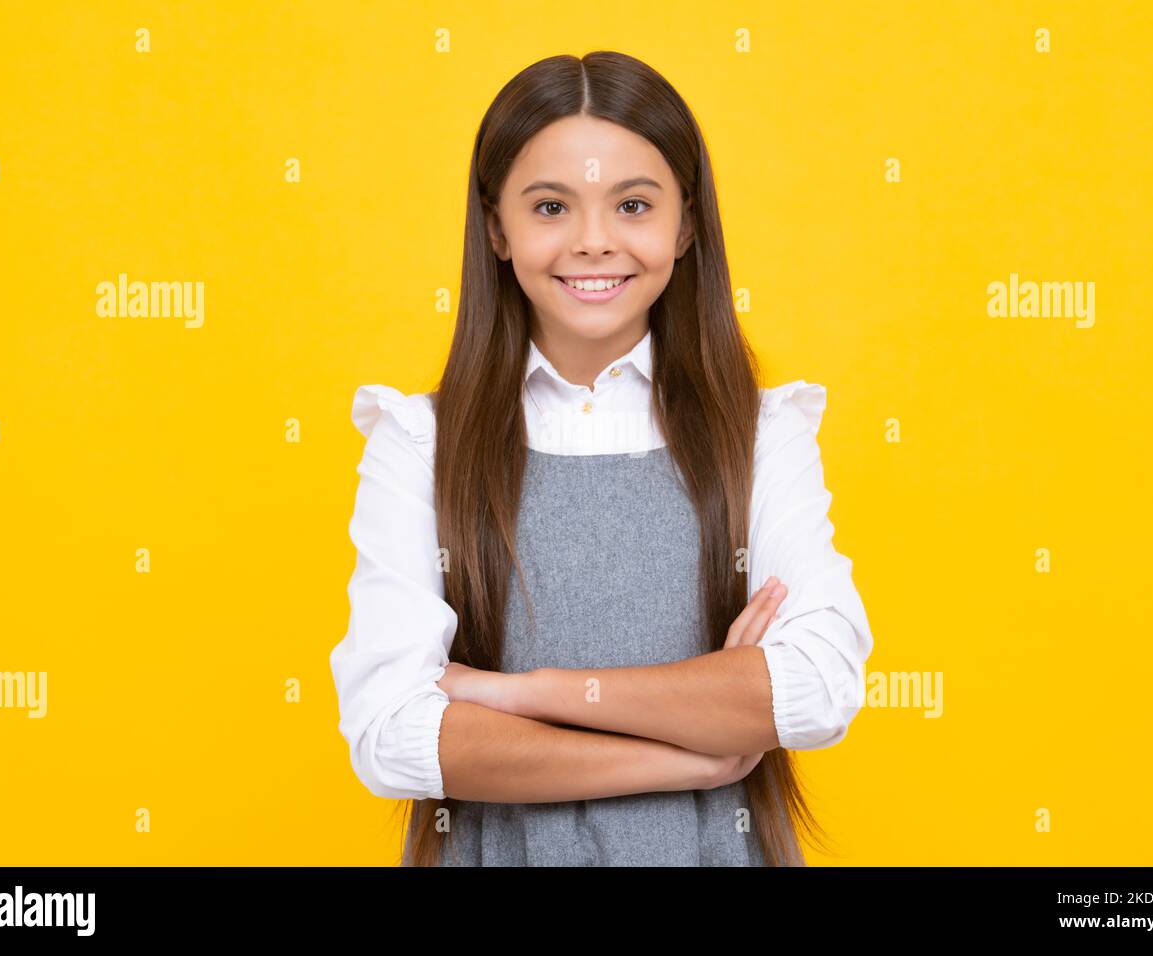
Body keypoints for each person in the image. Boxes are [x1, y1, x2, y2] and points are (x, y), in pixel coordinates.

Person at [329, 50, 874, 866]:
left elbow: (817, 688)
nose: (593, 242)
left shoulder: (761, 434)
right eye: (550, 206)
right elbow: (393, 732)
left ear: (685, 225)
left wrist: (528, 693)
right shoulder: (418, 444)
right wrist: (696, 746)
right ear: (495, 227)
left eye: (632, 204)